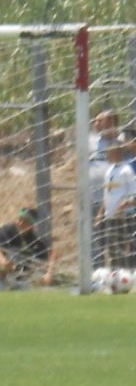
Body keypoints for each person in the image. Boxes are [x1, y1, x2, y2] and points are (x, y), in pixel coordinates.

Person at [0, 208, 57, 290]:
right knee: (14, 253)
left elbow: (52, 253)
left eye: (25, 221)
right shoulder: (8, 230)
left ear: (31, 225)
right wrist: (3, 261)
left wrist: (49, 273)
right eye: (19, 219)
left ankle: (19, 281)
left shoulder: (32, 238)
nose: (20, 223)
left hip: (16, 267)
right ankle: (0, 280)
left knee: (25, 256)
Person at [94, 140, 136, 269]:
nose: (106, 155)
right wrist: (100, 213)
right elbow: (107, 194)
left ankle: (130, 276)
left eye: (109, 152)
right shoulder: (109, 171)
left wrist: (124, 205)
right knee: (112, 250)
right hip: (111, 217)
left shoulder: (127, 170)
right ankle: (116, 277)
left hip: (126, 218)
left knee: (127, 249)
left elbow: (134, 194)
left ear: (116, 152)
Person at [89, 110, 123, 268]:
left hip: (116, 200)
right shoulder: (90, 141)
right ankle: (97, 275)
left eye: (98, 121)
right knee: (94, 241)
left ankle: (122, 273)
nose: (94, 124)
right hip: (91, 198)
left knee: (118, 239)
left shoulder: (123, 141)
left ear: (109, 122)